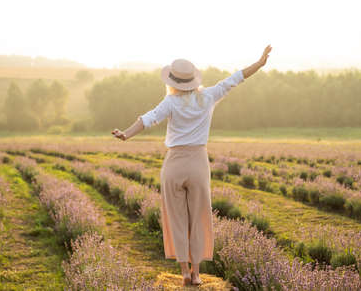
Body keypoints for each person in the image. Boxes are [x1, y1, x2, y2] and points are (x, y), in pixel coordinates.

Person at [112, 45, 272, 286]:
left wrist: (125, 134)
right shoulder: (208, 96)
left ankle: (184, 272)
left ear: (172, 81)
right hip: (198, 162)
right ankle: (197, 274)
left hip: (174, 164)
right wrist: (259, 64)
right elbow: (236, 78)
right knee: (198, 217)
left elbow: (145, 119)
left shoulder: (170, 102)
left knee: (176, 218)